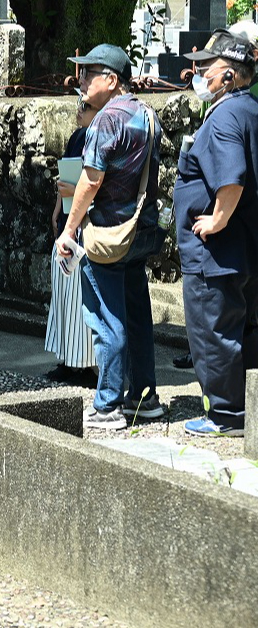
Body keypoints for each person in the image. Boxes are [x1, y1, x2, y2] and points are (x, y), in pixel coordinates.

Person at [56, 44, 164, 430]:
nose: (81, 81)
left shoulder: (106, 120)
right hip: (141, 230)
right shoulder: (147, 114)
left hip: (106, 235)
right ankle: (145, 398)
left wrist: (69, 231)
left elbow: (91, 179)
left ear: (112, 80)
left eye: (89, 73)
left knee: (106, 318)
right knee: (136, 316)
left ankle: (107, 405)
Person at [175, 28, 258, 437]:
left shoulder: (225, 116)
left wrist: (216, 219)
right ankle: (241, 412)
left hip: (215, 251)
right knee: (236, 330)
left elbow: (232, 178)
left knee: (213, 332)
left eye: (208, 66)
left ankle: (225, 416)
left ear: (230, 74)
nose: (200, 73)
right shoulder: (248, 109)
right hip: (238, 248)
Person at [45, 99, 100, 384]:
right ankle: (67, 359)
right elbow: (65, 173)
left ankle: (87, 365)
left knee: (81, 293)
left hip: (87, 221)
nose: (79, 110)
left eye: (85, 106)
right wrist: (58, 205)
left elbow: (93, 182)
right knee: (64, 293)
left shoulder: (100, 138)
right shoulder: (77, 137)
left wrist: (72, 191)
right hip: (68, 216)